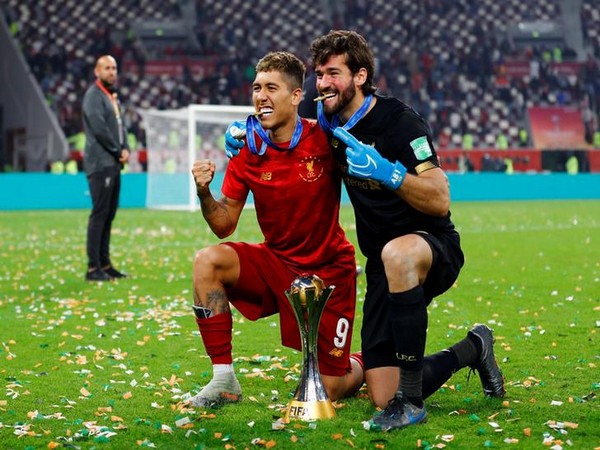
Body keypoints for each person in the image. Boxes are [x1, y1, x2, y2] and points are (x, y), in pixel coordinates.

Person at [308, 30, 505, 431]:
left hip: (430, 248)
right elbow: (295, 134)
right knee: (382, 392)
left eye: (333, 73)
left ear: (360, 76)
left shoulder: (401, 122)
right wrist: (251, 136)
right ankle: (474, 348)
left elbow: (440, 197)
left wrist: (388, 172)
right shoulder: (329, 123)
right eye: (318, 74)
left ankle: (412, 404)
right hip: (383, 265)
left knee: (397, 252)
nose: (323, 83)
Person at [189, 51, 364, 407]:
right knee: (207, 262)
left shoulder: (326, 139)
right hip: (278, 265)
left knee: (329, 390)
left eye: (271, 87)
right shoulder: (247, 149)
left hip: (328, 273)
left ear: (297, 96)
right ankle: (224, 380)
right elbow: (223, 225)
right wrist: (204, 192)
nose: (260, 96)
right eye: (256, 88)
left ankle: (370, 360)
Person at [82, 55, 129, 281]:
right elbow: (99, 128)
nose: (112, 72)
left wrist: (126, 147)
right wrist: (118, 150)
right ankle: (93, 268)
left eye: (114, 68)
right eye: (107, 68)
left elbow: (122, 127)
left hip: (113, 163)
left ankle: (105, 264)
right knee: (100, 213)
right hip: (100, 163)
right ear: (97, 71)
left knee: (108, 214)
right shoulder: (93, 96)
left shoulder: (112, 97)